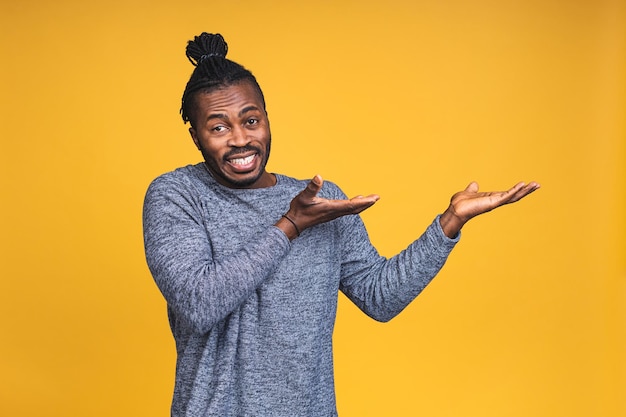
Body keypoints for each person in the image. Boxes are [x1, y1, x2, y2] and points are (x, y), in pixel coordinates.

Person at [143, 32, 540, 417]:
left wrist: (449, 222)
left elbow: (380, 297)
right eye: (218, 127)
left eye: (251, 120)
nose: (240, 139)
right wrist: (290, 226)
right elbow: (199, 304)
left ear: (266, 119)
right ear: (196, 136)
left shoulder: (319, 200)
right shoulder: (177, 195)